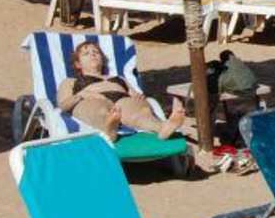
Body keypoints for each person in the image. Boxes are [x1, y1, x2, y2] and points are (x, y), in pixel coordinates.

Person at [57, 40, 186, 143]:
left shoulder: (119, 78)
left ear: (102, 59)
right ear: (78, 64)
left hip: (121, 101)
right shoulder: (70, 81)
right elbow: (63, 105)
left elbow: (134, 94)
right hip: (90, 100)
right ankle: (108, 128)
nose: (93, 54)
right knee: (100, 111)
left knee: (142, 113)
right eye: (86, 53)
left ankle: (162, 128)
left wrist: (138, 98)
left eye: (96, 52)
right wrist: (81, 95)